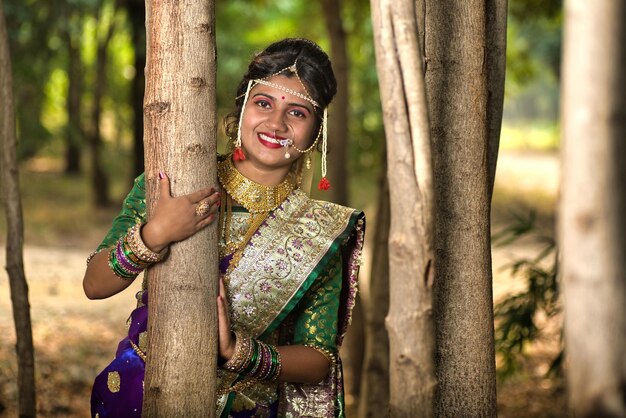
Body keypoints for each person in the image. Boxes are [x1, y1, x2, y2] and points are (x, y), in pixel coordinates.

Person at [84, 38, 365, 418]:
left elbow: (318, 357)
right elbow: (95, 284)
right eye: (263, 103)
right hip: (140, 392)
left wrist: (238, 351)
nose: (276, 123)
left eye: (297, 113)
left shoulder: (321, 231)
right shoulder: (172, 185)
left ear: (317, 130)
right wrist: (155, 234)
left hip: (243, 407)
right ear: (242, 106)